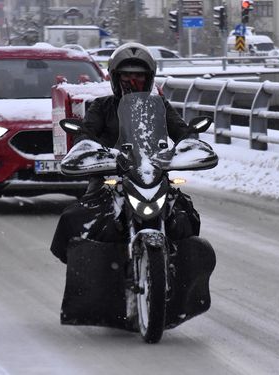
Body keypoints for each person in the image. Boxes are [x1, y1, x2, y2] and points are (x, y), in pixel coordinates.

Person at [49, 43, 214, 330]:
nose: (132, 83)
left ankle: (179, 271)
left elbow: (181, 130)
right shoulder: (101, 107)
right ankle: (89, 274)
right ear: (114, 79)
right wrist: (89, 149)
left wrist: (189, 143)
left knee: (186, 213)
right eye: (126, 78)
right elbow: (86, 134)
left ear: (149, 79)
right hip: (111, 174)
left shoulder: (159, 107)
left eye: (139, 78)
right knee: (77, 216)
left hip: (151, 173)